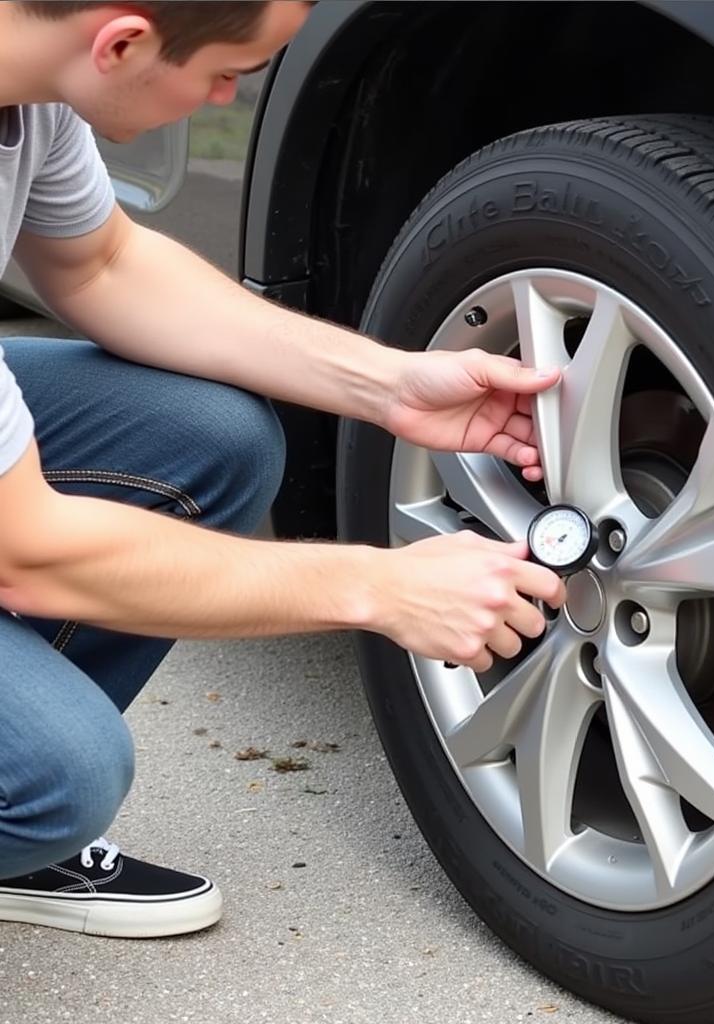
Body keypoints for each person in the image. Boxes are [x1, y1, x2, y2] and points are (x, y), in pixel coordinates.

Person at [0, 0, 565, 940]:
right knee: (59, 777)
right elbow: (30, 552)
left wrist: (391, 386)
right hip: (21, 540)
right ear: (124, 42)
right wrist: (377, 588)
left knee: (211, 436)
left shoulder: (33, 83)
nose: (231, 94)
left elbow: (100, 265)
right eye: (229, 70)